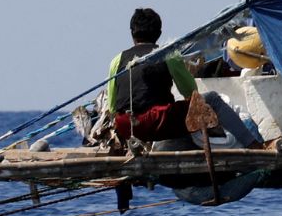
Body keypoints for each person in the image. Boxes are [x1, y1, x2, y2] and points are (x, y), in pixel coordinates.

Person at [105, 8, 264, 148]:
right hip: (158, 121)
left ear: (132, 33)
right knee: (212, 99)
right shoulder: (168, 53)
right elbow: (191, 93)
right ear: (159, 33)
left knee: (174, 115)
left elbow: (112, 107)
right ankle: (254, 144)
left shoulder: (116, 60)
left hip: (126, 125)